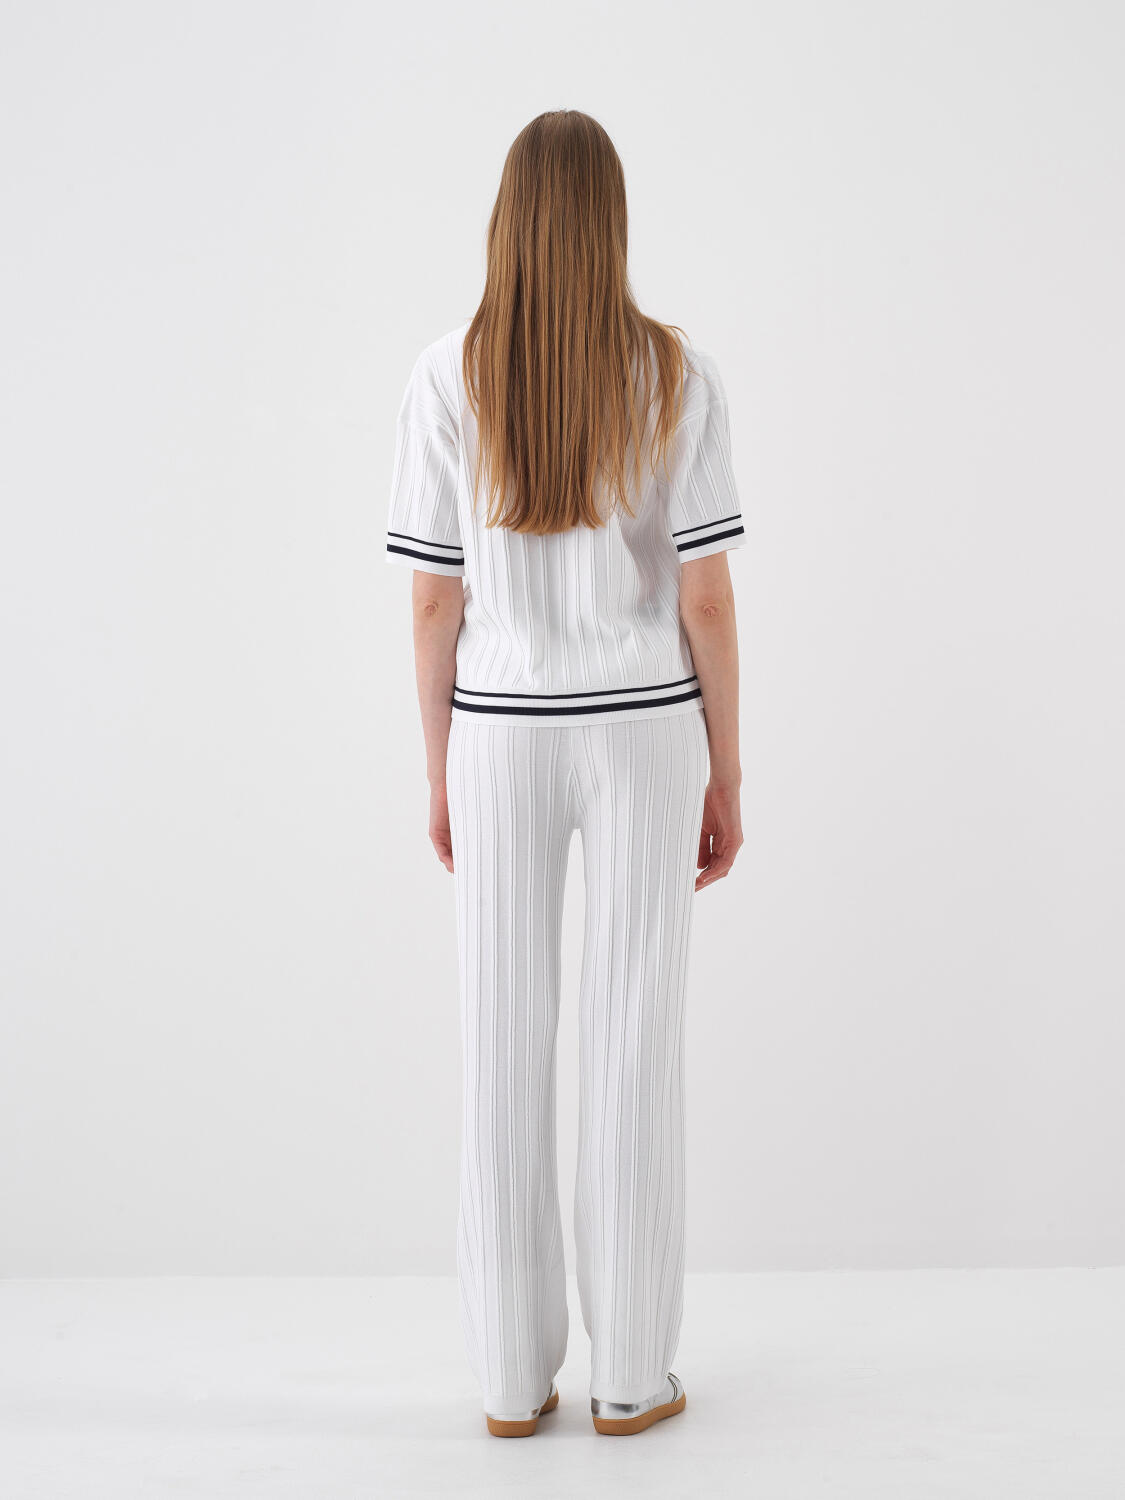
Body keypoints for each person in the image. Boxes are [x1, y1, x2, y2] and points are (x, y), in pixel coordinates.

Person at [385, 109, 746, 1438]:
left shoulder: (447, 372)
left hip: (498, 730)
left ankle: (506, 1379)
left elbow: (434, 601)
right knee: (633, 1035)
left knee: (501, 1039)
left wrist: (439, 769)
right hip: (645, 728)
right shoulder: (675, 373)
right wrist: (727, 772)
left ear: (508, 219)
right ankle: (632, 1374)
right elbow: (704, 596)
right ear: (611, 221)